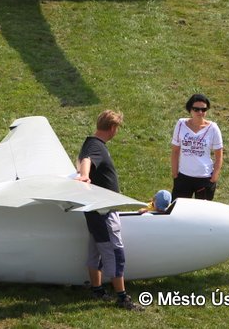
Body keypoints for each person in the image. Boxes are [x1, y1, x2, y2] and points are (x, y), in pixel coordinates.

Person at [76, 109, 142, 311]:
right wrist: (84, 176)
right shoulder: (95, 146)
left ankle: (97, 289)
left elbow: (83, 158)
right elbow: (86, 161)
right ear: (112, 128)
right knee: (115, 252)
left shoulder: (90, 143)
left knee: (96, 250)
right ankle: (122, 298)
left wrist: (83, 173)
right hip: (103, 212)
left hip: (96, 211)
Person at [170, 93, 224, 201]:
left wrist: (214, 178)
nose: (200, 112)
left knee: (202, 210)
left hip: (205, 178)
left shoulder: (213, 128)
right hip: (184, 177)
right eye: (196, 109)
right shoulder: (181, 124)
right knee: (179, 209)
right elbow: (175, 151)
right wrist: (175, 174)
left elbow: (219, 155)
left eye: (203, 109)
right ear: (190, 109)